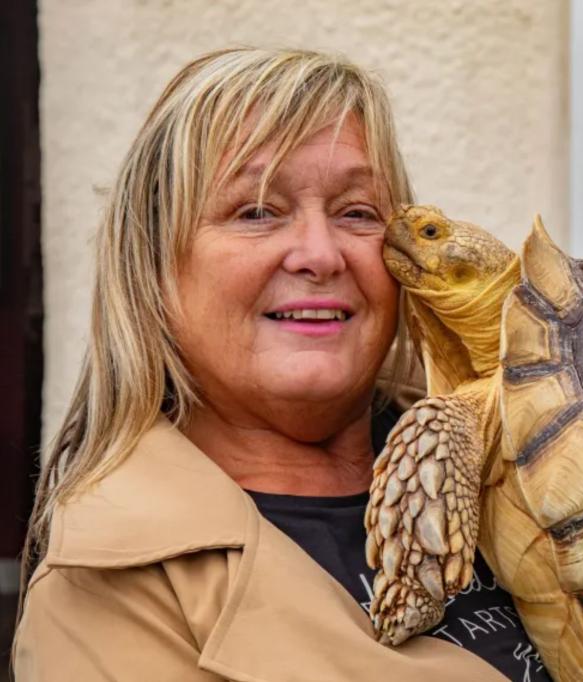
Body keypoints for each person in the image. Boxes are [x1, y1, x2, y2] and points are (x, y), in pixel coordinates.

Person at [14, 48, 549, 682]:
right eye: (256, 212)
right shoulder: (109, 592)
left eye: (356, 213)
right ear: (152, 266)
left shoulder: (516, 433)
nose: (320, 255)